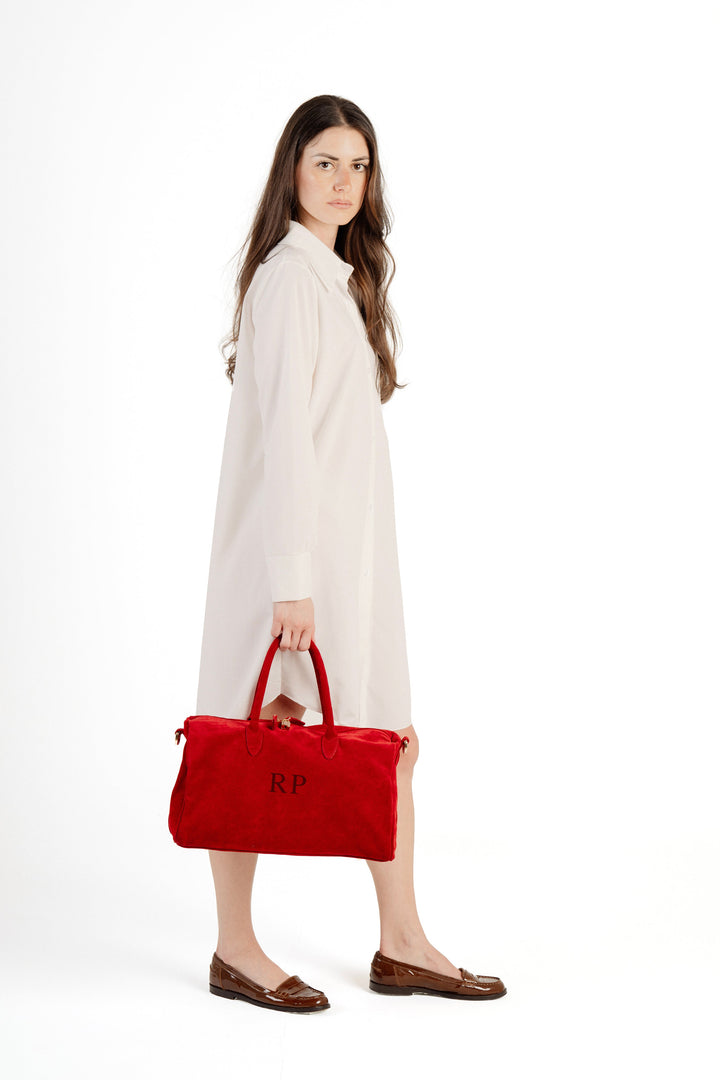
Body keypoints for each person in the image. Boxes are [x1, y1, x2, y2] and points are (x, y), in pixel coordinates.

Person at [195, 94, 507, 1012]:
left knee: (392, 744)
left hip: (349, 564)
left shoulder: (337, 281)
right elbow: (285, 439)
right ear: (292, 169)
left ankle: (402, 941)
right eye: (325, 161)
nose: (343, 181)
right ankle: (236, 948)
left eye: (359, 165)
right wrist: (292, 585)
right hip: (294, 570)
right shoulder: (290, 282)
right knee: (246, 746)